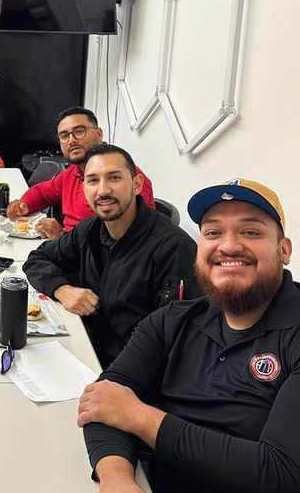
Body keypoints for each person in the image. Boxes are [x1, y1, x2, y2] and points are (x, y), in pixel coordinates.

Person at [79, 179, 300, 493]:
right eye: (212, 232)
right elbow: (105, 398)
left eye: (250, 232)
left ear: (284, 249)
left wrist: (141, 417)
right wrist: (115, 478)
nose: (228, 245)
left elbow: (284, 475)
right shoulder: (172, 321)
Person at [23, 144, 198, 368]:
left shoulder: (174, 249)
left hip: (129, 373)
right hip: (85, 348)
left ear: (136, 185)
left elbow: (172, 343)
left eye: (114, 178)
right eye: (93, 181)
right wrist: (62, 289)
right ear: (84, 188)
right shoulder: (89, 230)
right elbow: (37, 259)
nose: (103, 190)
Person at [6, 106, 155, 239]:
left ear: (98, 134)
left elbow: (125, 246)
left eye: (79, 131)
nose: (71, 140)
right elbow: (43, 192)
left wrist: (62, 237)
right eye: (64, 136)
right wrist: (23, 205)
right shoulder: (73, 172)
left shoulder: (127, 180)